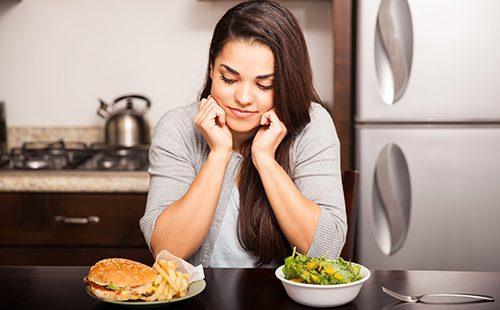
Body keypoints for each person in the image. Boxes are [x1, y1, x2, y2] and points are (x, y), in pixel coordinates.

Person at [140, 0, 346, 268]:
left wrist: (265, 160)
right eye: (229, 79)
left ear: (287, 82)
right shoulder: (177, 127)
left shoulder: (312, 124)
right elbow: (167, 251)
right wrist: (219, 154)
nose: (244, 98)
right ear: (212, 68)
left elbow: (325, 250)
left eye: (265, 84)